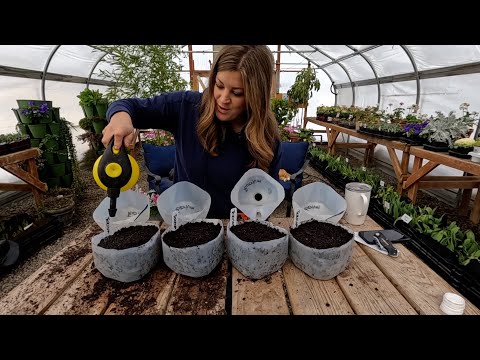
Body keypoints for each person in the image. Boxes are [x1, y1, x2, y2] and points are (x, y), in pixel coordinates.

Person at [101, 45, 282, 219]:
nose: (223, 99)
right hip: (186, 226)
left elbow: (265, 202)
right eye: (219, 86)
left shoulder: (267, 139)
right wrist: (120, 118)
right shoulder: (187, 108)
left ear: (256, 96)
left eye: (237, 93)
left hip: (237, 232)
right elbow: (128, 106)